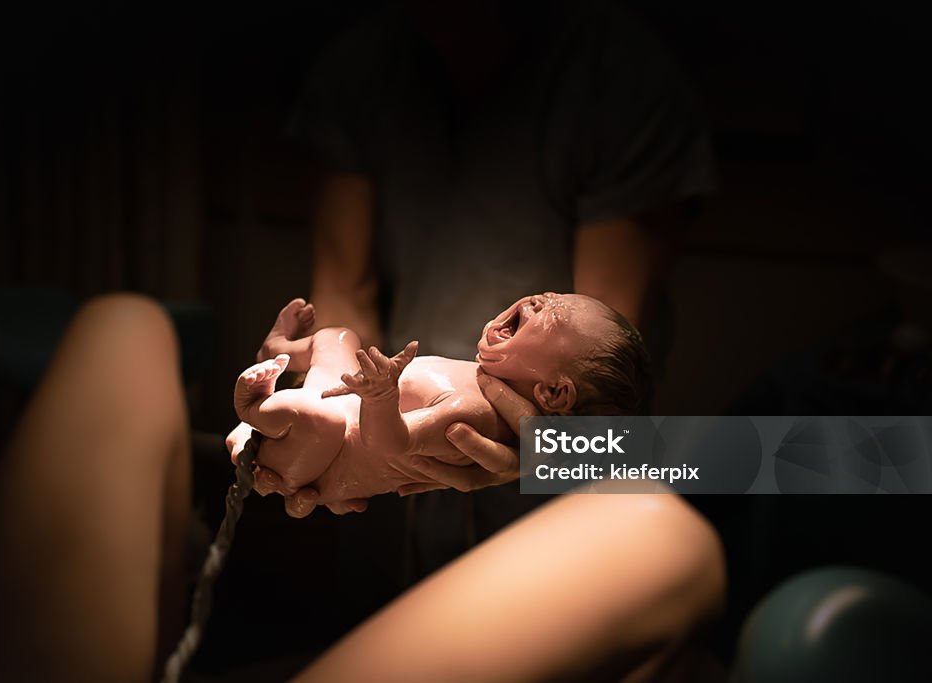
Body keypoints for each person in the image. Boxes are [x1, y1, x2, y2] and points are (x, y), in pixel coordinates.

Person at [0, 294, 726, 683]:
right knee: (126, 321)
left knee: (660, 526)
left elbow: (604, 390)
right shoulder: (369, 75)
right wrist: (328, 383)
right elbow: (345, 320)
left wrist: (563, 451)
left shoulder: (609, 87)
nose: (530, 305)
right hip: (362, 429)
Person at [276, 0, 715, 576]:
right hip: (398, 485)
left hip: (569, 483)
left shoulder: (614, 72)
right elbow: (342, 294)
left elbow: (597, 350)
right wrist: (325, 395)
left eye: (550, 307)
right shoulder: (362, 67)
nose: (538, 302)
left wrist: (537, 446)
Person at [230, 293, 649, 513]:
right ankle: (277, 348)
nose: (541, 300)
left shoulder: (476, 415)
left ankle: (253, 408)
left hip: (323, 448)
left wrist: (381, 397)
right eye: (555, 293)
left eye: (558, 316)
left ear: (554, 393)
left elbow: (388, 446)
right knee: (338, 337)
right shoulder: (483, 380)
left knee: (315, 416)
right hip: (331, 408)